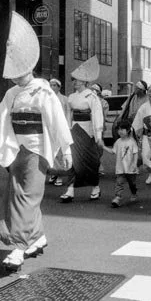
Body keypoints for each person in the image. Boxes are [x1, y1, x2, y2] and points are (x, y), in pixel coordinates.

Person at [0, 12, 73, 273]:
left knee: (27, 197)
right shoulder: (11, 93)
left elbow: (57, 121)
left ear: (28, 68)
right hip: (17, 149)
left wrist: (66, 149)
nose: (14, 78)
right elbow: (1, 118)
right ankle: (38, 237)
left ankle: (18, 248)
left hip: (37, 149)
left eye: (17, 72)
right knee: (20, 196)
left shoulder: (43, 91)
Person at [56, 57, 106, 202]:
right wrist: (66, 129)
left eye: (77, 80)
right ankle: (70, 189)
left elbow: (97, 115)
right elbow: (68, 114)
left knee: (91, 160)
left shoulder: (92, 96)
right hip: (74, 129)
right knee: (72, 159)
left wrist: (98, 135)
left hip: (88, 130)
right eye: (74, 80)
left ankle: (95, 187)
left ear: (84, 81)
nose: (75, 82)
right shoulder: (71, 97)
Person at [107, 122, 139, 208]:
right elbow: (113, 151)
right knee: (119, 182)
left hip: (130, 168)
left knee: (132, 183)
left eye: (122, 129)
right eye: (119, 129)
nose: (120, 131)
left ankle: (134, 193)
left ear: (128, 130)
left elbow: (135, 153)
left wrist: (134, 164)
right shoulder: (118, 142)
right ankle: (118, 197)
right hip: (120, 167)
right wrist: (103, 147)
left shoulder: (132, 142)